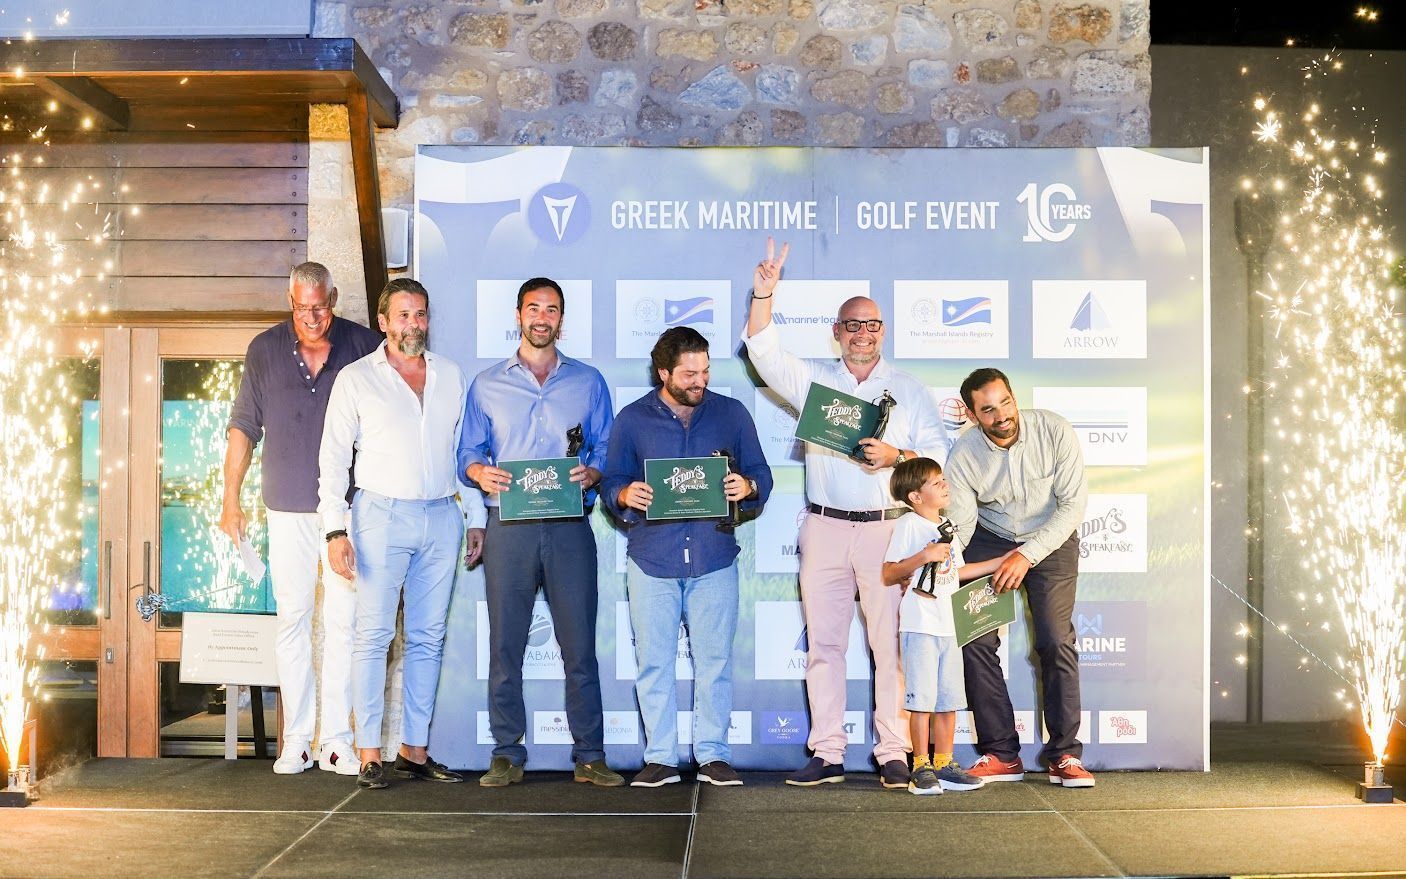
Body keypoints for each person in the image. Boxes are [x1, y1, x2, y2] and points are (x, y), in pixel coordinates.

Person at [744, 239, 944, 789]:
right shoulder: (815, 380)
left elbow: (939, 457)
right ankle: (827, 751)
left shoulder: (908, 390)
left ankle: (894, 751)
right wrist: (764, 294)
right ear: (837, 332)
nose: (862, 333)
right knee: (824, 646)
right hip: (825, 526)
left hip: (887, 529)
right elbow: (763, 352)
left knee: (890, 646)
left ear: (883, 331)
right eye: (852, 325)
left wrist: (897, 456)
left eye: (871, 325)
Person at [319, 278, 485, 790]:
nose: (414, 324)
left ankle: (414, 750)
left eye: (421, 314)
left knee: (428, 638)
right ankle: (370, 753)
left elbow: (462, 454)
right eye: (404, 315)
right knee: (373, 637)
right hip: (379, 517)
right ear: (383, 321)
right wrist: (334, 530)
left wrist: (475, 516)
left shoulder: (451, 375)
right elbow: (332, 459)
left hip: (442, 516)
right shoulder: (355, 379)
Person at [458, 277, 622, 788]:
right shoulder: (486, 384)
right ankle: (507, 753)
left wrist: (594, 472)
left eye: (551, 310)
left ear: (561, 320)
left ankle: (590, 755)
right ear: (518, 315)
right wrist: (480, 473)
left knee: (580, 648)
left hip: (570, 526)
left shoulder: (588, 382)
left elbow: (606, 447)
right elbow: (468, 452)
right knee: (505, 647)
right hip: (509, 528)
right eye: (534, 308)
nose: (542, 318)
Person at [221, 262, 381, 776]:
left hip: (347, 510)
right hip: (285, 507)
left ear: (333, 298)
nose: (311, 317)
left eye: (320, 307)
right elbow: (243, 426)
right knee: (291, 619)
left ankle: (336, 741)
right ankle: (297, 741)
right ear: (290, 302)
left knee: (343, 623)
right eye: (301, 308)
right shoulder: (264, 349)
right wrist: (230, 499)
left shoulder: (366, 346)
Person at [602, 327, 773, 788]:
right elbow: (611, 480)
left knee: (715, 662)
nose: (700, 381)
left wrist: (748, 486)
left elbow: (761, 473)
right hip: (652, 559)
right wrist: (624, 493)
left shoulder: (731, 414)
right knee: (653, 663)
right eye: (689, 374)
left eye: (705, 371)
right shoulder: (632, 420)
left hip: (714, 556)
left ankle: (713, 755)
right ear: (664, 373)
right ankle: (660, 757)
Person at [943, 367, 1093, 788]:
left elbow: (1072, 506)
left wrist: (1026, 556)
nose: (1001, 416)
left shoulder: (1054, 430)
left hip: (1051, 538)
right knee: (975, 640)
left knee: (1055, 639)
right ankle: (1001, 754)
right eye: (988, 410)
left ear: (1014, 397)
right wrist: (943, 566)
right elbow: (961, 525)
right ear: (972, 414)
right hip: (989, 539)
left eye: (1005, 402)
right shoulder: (964, 454)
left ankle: (1064, 754)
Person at [881, 457, 1007, 795]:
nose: (944, 485)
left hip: (949, 626)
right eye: (936, 482)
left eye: (943, 479)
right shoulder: (908, 525)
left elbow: (956, 572)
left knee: (948, 700)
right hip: (920, 626)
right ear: (915, 496)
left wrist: (998, 562)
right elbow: (889, 573)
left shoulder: (946, 526)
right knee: (921, 701)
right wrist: (923, 557)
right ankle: (920, 766)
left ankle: (944, 764)